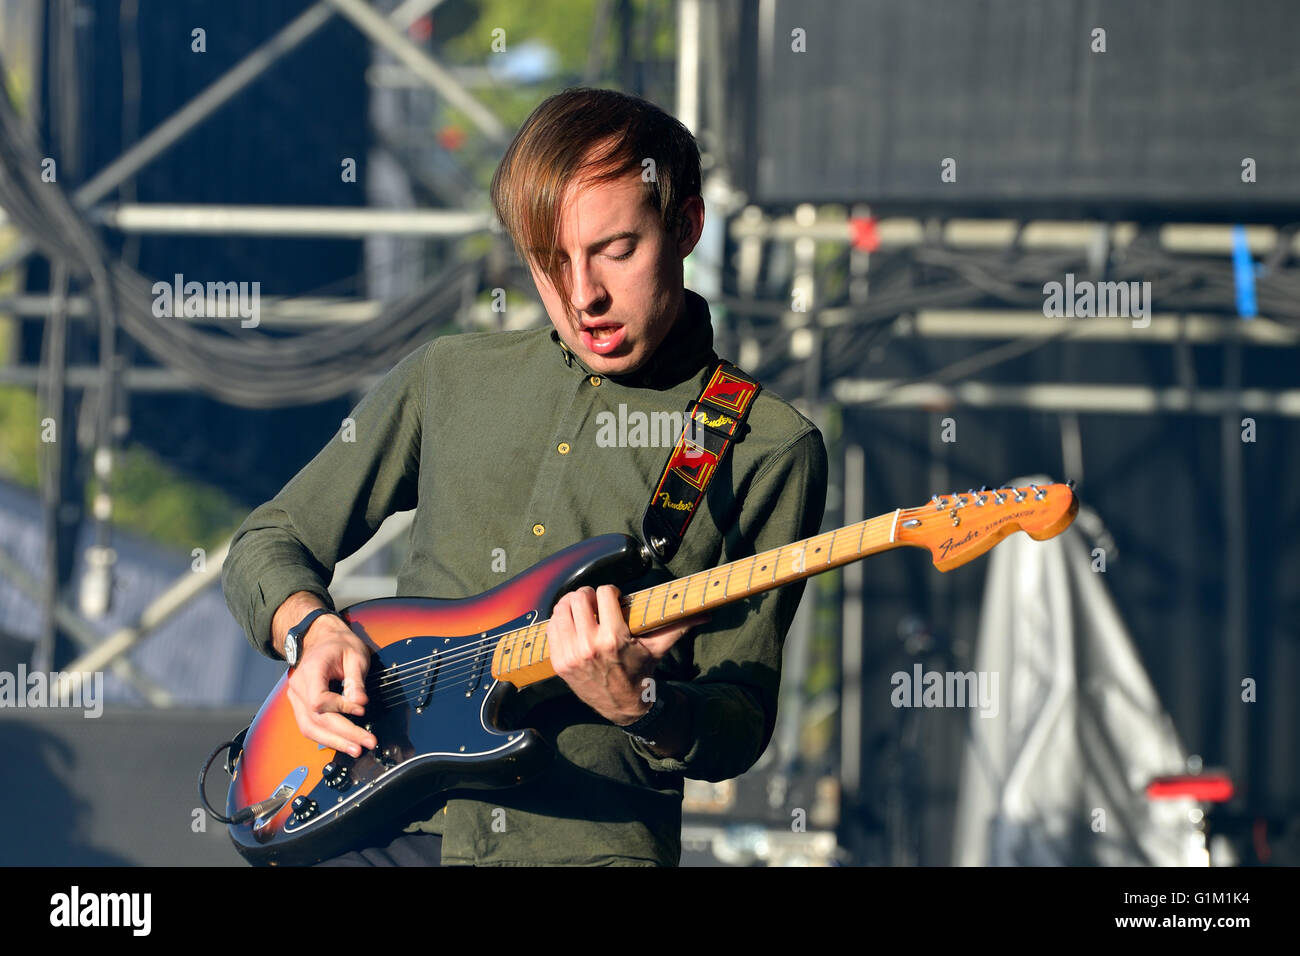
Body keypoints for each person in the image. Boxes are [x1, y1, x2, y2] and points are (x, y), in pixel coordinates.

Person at [221, 87, 828, 866]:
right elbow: (270, 539)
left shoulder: (766, 444)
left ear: (687, 227)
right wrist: (310, 631)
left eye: (616, 249)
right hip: (366, 825)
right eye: (550, 260)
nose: (584, 298)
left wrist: (642, 705)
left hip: (579, 844)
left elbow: (738, 722)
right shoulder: (450, 376)